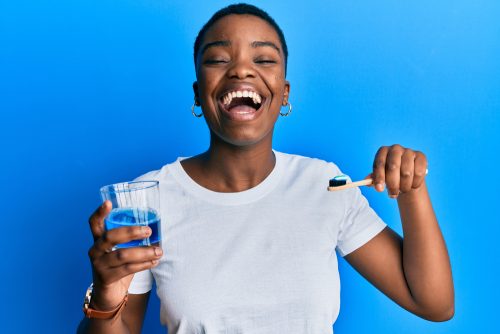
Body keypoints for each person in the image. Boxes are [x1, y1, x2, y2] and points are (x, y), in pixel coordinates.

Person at [78, 3, 454, 333]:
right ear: (198, 94)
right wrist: (107, 296)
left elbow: (433, 304)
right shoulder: (147, 200)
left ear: (284, 93)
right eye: (219, 59)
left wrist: (411, 190)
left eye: (264, 60)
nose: (241, 71)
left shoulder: (325, 185)